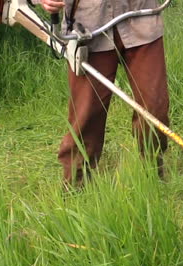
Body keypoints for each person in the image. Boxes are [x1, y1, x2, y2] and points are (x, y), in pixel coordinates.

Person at [40, 0, 170, 189]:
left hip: (141, 18)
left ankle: (153, 177)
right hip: (88, 27)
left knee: (155, 109)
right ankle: (76, 189)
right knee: (86, 117)